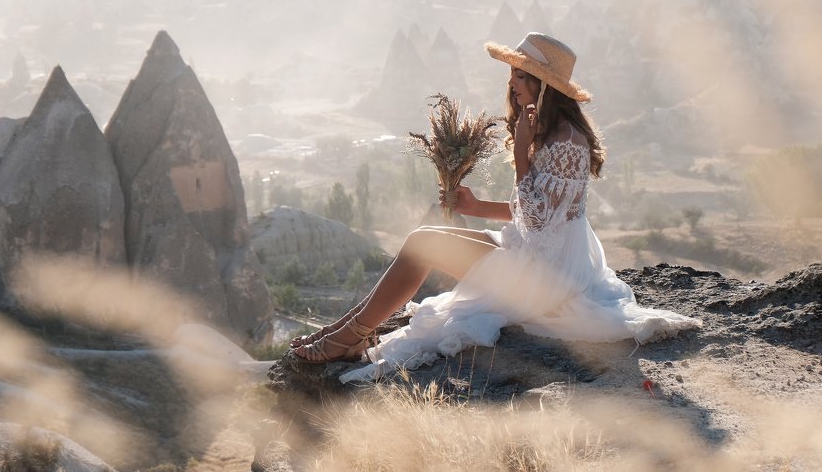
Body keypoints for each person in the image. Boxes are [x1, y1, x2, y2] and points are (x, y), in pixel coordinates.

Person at [290, 32, 702, 379]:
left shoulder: (567, 142)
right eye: (513, 73)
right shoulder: (550, 130)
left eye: (522, 75)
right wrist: (475, 206)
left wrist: (521, 153)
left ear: (545, 86)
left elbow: (538, 223)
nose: (512, 83)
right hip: (534, 255)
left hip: (546, 277)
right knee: (423, 236)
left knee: (422, 245)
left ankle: (349, 338)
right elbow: (536, 214)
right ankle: (345, 331)